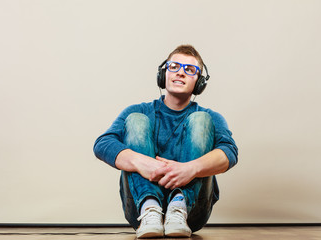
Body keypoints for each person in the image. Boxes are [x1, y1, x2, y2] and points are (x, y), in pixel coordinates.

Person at [93, 44, 238, 238]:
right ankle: (150, 208)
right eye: (174, 67)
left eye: (189, 70)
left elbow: (230, 152)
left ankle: (179, 207)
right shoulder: (139, 110)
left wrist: (190, 169)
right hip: (138, 209)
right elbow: (102, 144)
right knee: (136, 120)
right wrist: (144, 163)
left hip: (193, 211)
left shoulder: (210, 116)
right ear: (163, 74)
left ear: (199, 83)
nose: (180, 73)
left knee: (201, 120)